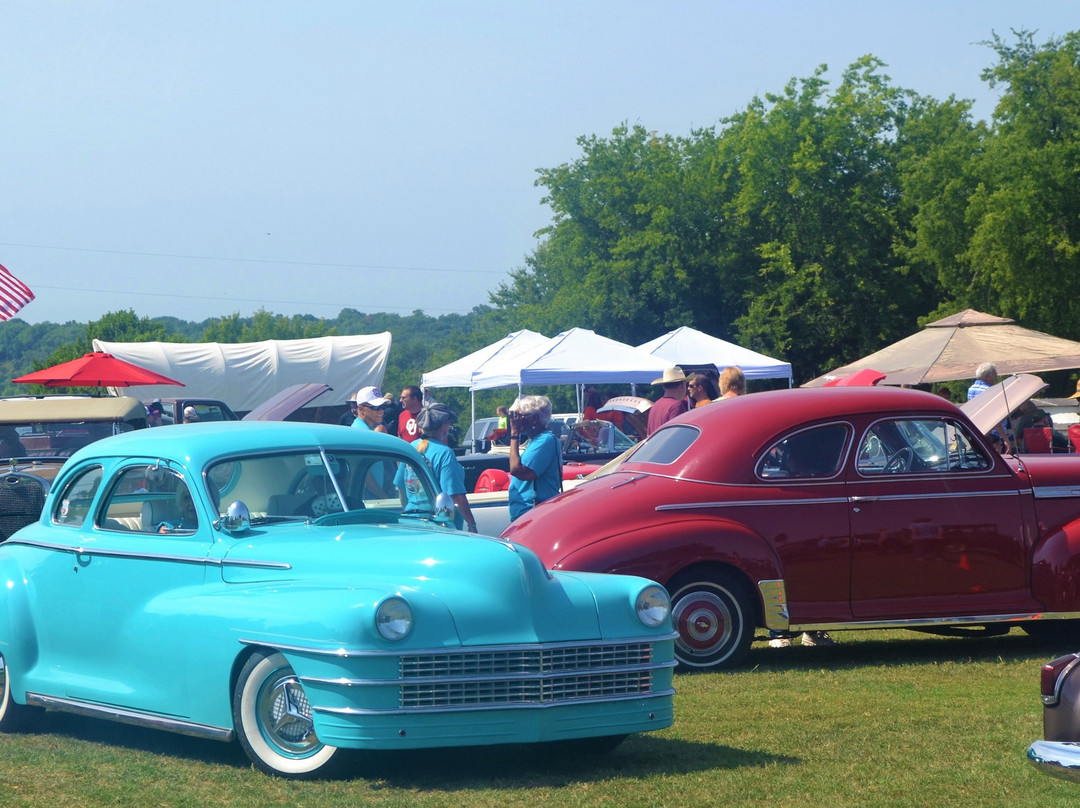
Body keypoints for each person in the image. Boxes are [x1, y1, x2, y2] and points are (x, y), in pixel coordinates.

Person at [395, 402, 477, 532]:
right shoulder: (445, 453)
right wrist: (471, 525)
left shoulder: (410, 447)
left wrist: (409, 510)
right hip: (439, 525)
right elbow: (456, 496)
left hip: (410, 522)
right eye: (449, 423)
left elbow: (400, 486)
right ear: (444, 425)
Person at [507, 395, 562, 522]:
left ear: (535, 418)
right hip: (527, 513)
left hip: (535, 514)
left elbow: (516, 470)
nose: (518, 419)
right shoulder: (536, 440)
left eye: (522, 416)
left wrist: (514, 433)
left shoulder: (545, 440)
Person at [646, 367, 690, 436]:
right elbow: (676, 435)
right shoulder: (676, 405)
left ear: (664, 386)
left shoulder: (655, 405)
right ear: (682, 385)